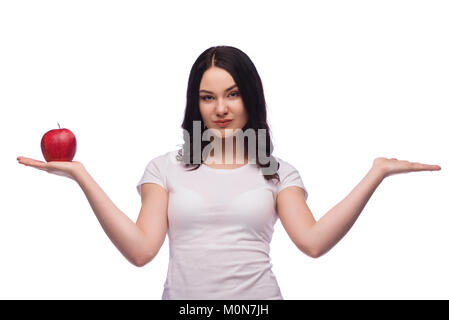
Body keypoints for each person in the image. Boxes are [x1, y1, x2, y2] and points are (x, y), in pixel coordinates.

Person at [17, 46, 441, 300]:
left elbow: (312, 243)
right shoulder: (165, 168)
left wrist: (376, 174)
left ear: (249, 98)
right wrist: (82, 177)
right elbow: (142, 251)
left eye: (232, 95)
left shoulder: (278, 173)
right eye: (208, 97)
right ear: (195, 105)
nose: (220, 109)